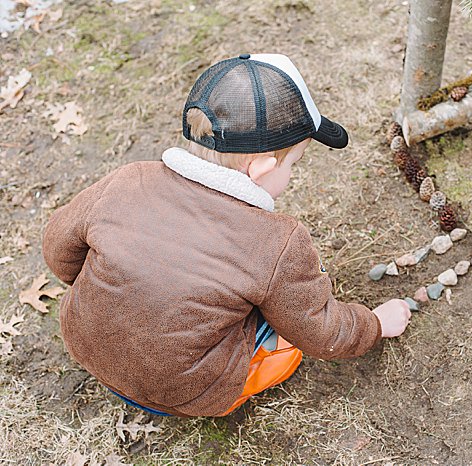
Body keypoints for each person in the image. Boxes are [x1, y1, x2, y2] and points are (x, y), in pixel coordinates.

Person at [42, 54, 411, 417]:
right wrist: (375, 324)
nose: (293, 174)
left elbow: (57, 251)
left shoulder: (127, 178)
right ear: (262, 168)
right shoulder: (278, 243)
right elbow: (321, 332)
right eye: (294, 164)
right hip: (187, 395)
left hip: (85, 348)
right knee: (288, 335)